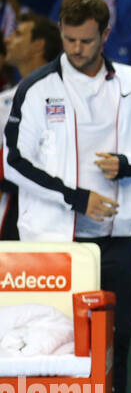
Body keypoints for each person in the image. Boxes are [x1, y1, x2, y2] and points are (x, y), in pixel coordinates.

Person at [4, 0, 131, 393]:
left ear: (105, 35)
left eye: (86, 41)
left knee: (113, 348)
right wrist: (76, 197)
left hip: (114, 238)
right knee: (27, 346)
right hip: (50, 244)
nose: (76, 49)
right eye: (69, 40)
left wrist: (125, 165)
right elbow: (12, 161)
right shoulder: (36, 88)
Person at [0, 14, 62, 242]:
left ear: (38, 45)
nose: (7, 40)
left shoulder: (63, 97)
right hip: (12, 211)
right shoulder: (4, 101)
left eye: (17, 35)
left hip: (56, 213)